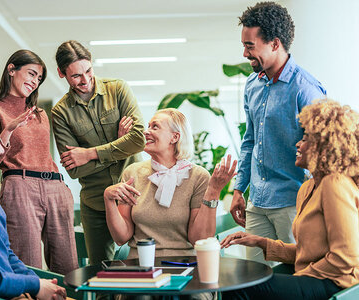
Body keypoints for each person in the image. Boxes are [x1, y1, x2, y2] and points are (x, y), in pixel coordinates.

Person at [221, 99, 359, 300]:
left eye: (305, 139)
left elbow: (345, 257)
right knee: (244, 278)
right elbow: (306, 253)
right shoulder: (308, 187)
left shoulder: (334, 184)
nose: (298, 144)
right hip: (315, 276)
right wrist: (261, 242)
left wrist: (300, 276)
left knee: (240, 287)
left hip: (337, 283)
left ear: (325, 145)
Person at [230, 1, 326, 264]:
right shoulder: (252, 84)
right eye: (244, 45)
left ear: (274, 43)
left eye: (250, 46)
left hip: (293, 202)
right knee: (254, 278)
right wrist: (239, 189)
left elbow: (324, 150)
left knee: (298, 269)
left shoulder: (305, 89)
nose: (244, 53)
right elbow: (249, 140)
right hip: (257, 202)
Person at [0, 50, 78, 275]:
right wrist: (8, 131)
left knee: (68, 268)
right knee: (28, 266)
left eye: (39, 78)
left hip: (55, 187)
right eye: (31, 74)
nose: (34, 82)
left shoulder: (41, 114)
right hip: (20, 187)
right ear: (11, 69)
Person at [51, 40, 145, 265]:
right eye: (76, 76)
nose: (85, 80)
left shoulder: (118, 89)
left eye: (88, 70)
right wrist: (118, 143)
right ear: (61, 74)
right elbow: (75, 170)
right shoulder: (60, 113)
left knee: (146, 266)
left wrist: (90, 153)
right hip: (96, 205)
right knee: (100, 273)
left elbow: (139, 139)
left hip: (136, 195)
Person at [0, 107, 66, 299]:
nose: (2, 150)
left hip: (14, 291)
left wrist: (38, 284)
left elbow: (6, 253)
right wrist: (32, 285)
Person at [104, 108, 237, 259]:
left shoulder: (198, 176)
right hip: (140, 266)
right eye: (148, 126)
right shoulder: (132, 173)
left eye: (155, 127)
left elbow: (200, 239)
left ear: (174, 137)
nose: (146, 132)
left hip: (184, 266)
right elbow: (121, 237)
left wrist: (213, 191)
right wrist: (108, 199)